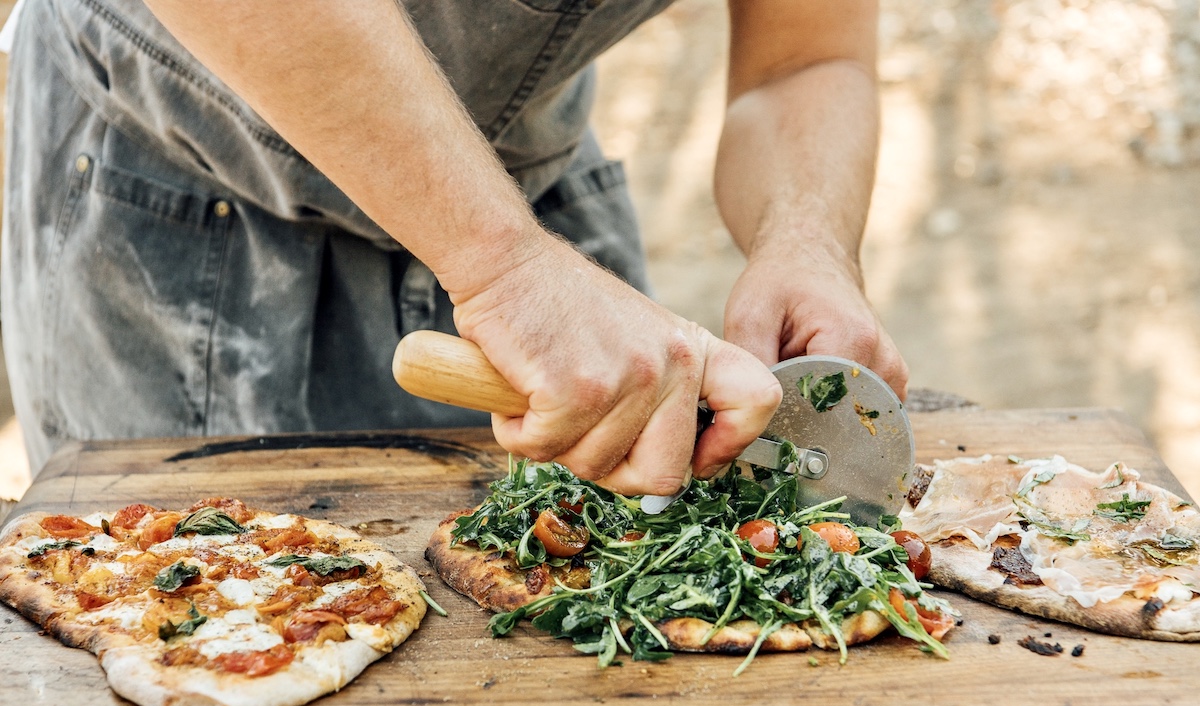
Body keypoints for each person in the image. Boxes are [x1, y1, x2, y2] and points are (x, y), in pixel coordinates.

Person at [1, 0, 907, 496]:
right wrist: (502, 265)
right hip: (194, 191)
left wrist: (807, 237)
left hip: (534, 196)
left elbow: (807, 56)